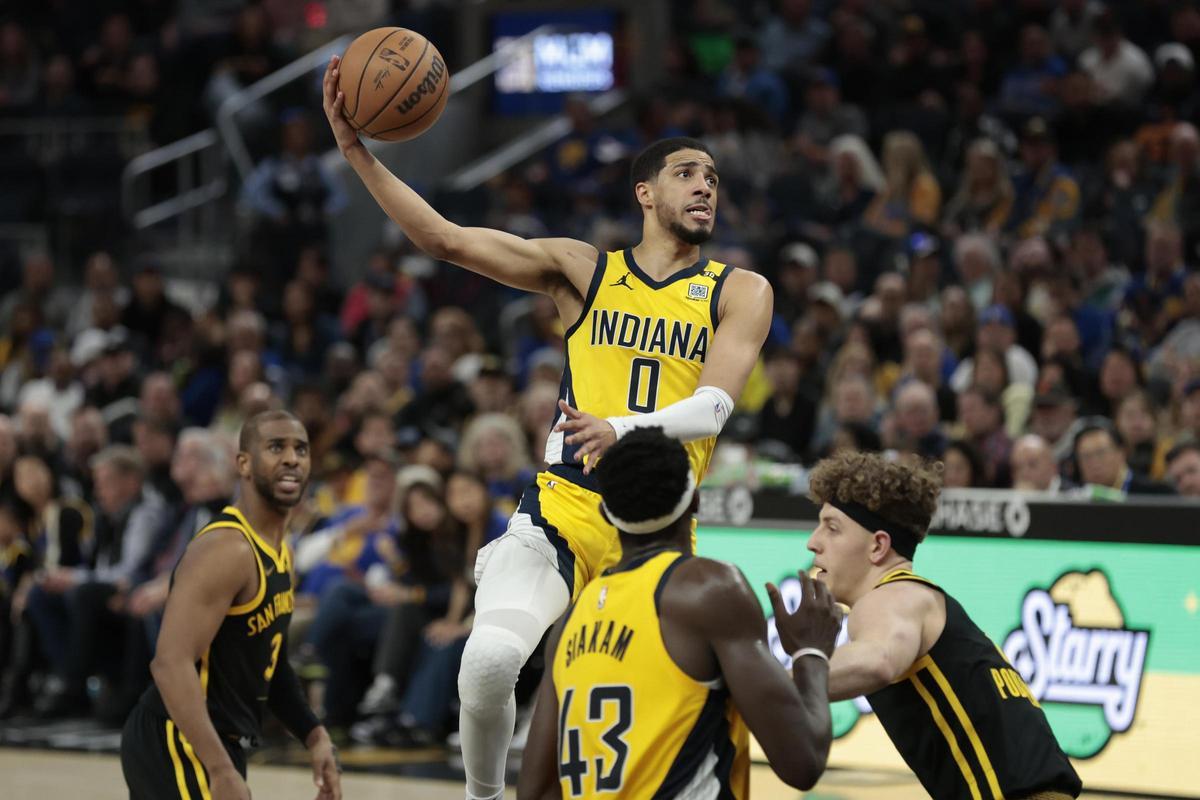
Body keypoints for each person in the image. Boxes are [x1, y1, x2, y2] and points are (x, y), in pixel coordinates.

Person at [323, 55, 772, 800]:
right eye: (689, 173)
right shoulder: (585, 271)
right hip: (561, 512)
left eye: (714, 179)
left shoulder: (739, 289)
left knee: (649, 752)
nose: (705, 187)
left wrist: (621, 428)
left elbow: (715, 407)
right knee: (490, 661)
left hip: (656, 537)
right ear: (646, 192)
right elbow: (446, 241)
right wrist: (355, 152)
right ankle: (482, 796)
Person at [518, 429, 840, 798]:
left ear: (606, 513)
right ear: (696, 501)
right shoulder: (708, 590)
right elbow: (803, 763)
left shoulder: (570, 621)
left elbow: (535, 792)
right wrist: (811, 652)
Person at [774, 450, 1082, 800]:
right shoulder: (918, 599)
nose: (813, 542)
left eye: (832, 527)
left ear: (878, 546)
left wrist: (767, 681)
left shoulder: (893, 595)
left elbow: (878, 661)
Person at [120, 411, 341, 800]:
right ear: (243, 463)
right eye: (276, 447)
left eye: (301, 449)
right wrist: (219, 768)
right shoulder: (226, 549)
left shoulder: (280, 553)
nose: (292, 458)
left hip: (217, 743)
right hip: (179, 740)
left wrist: (315, 735)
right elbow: (170, 663)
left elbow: (270, 666)